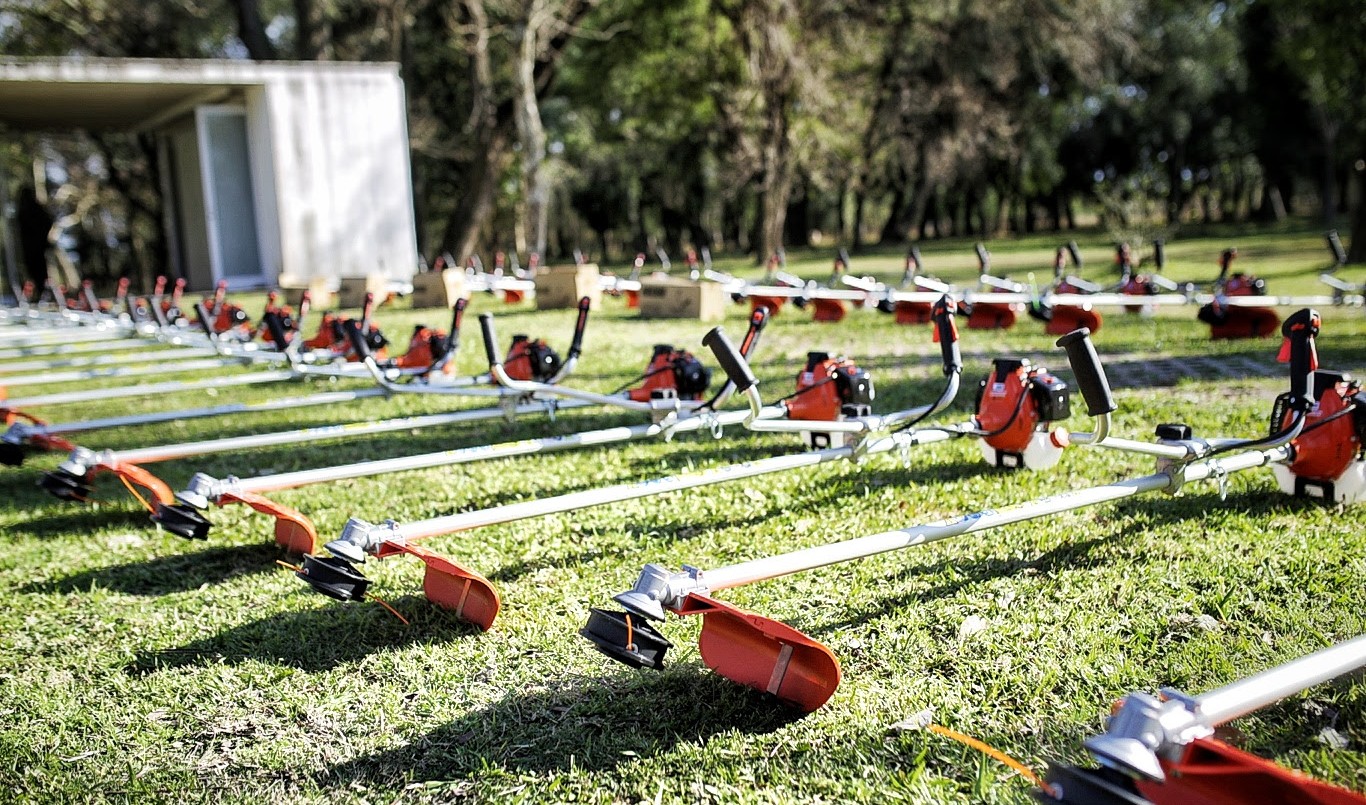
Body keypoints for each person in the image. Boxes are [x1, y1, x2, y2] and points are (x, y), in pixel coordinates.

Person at [16, 184, 53, 289]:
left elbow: (47, 222)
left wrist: (42, 236)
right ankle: (40, 289)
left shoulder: (34, 208)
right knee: (35, 268)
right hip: (31, 245)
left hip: (35, 245)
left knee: (38, 268)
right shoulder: (25, 210)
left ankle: (43, 289)